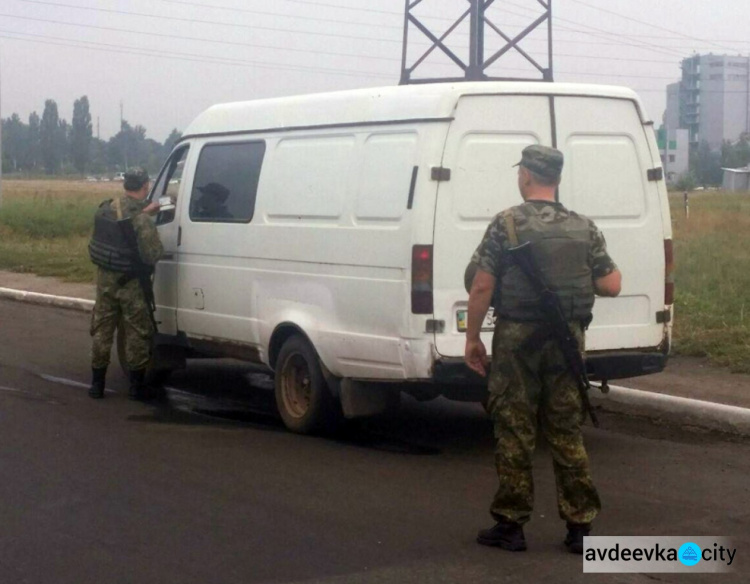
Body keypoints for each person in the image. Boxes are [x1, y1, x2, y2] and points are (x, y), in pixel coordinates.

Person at [464, 145, 622, 554]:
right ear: (558, 179)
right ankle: (579, 527)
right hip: (567, 341)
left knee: (515, 427)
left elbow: (480, 285)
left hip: (518, 340)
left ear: (527, 176)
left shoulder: (507, 224)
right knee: (566, 429)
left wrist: (473, 338)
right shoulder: (584, 227)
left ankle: (511, 525)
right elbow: (612, 284)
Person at [88, 168, 164, 400]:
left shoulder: (108, 208)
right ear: (145, 186)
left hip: (105, 282)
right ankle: (136, 387)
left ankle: (97, 385)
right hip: (131, 284)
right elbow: (153, 255)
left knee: (102, 331)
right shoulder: (142, 219)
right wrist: (147, 218)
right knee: (137, 333)